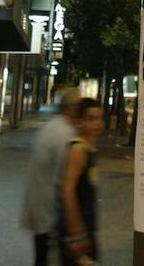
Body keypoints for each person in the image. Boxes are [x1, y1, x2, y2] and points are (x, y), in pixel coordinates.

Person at [22, 87, 82, 266]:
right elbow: (63, 182)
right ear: (71, 108)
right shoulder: (65, 135)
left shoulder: (52, 127)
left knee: (41, 258)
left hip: (41, 210)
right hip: (51, 214)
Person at [59, 97, 103, 266]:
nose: (97, 124)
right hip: (79, 234)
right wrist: (77, 233)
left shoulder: (89, 148)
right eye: (91, 119)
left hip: (86, 230)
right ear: (79, 122)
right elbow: (67, 190)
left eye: (100, 118)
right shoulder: (78, 149)